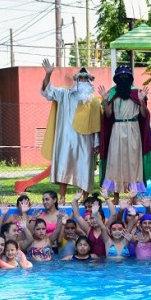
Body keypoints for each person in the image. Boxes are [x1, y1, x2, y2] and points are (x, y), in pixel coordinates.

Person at [41, 59, 102, 203]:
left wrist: (96, 143)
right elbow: (47, 92)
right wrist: (48, 75)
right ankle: (62, 198)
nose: (83, 80)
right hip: (66, 140)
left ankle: (85, 199)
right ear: (76, 80)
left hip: (86, 141)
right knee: (64, 167)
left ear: (90, 81)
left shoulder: (93, 101)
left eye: (86, 78)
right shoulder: (65, 95)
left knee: (85, 169)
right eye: (80, 78)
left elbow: (97, 126)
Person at [96, 66, 151, 203]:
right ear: (116, 80)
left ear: (130, 79)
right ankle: (116, 198)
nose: (123, 79)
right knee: (115, 161)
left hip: (133, 129)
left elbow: (143, 114)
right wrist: (105, 100)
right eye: (120, 77)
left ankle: (133, 198)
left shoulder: (137, 93)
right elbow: (108, 115)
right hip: (117, 129)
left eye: (126, 77)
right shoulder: (112, 93)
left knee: (133, 162)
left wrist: (141, 100)